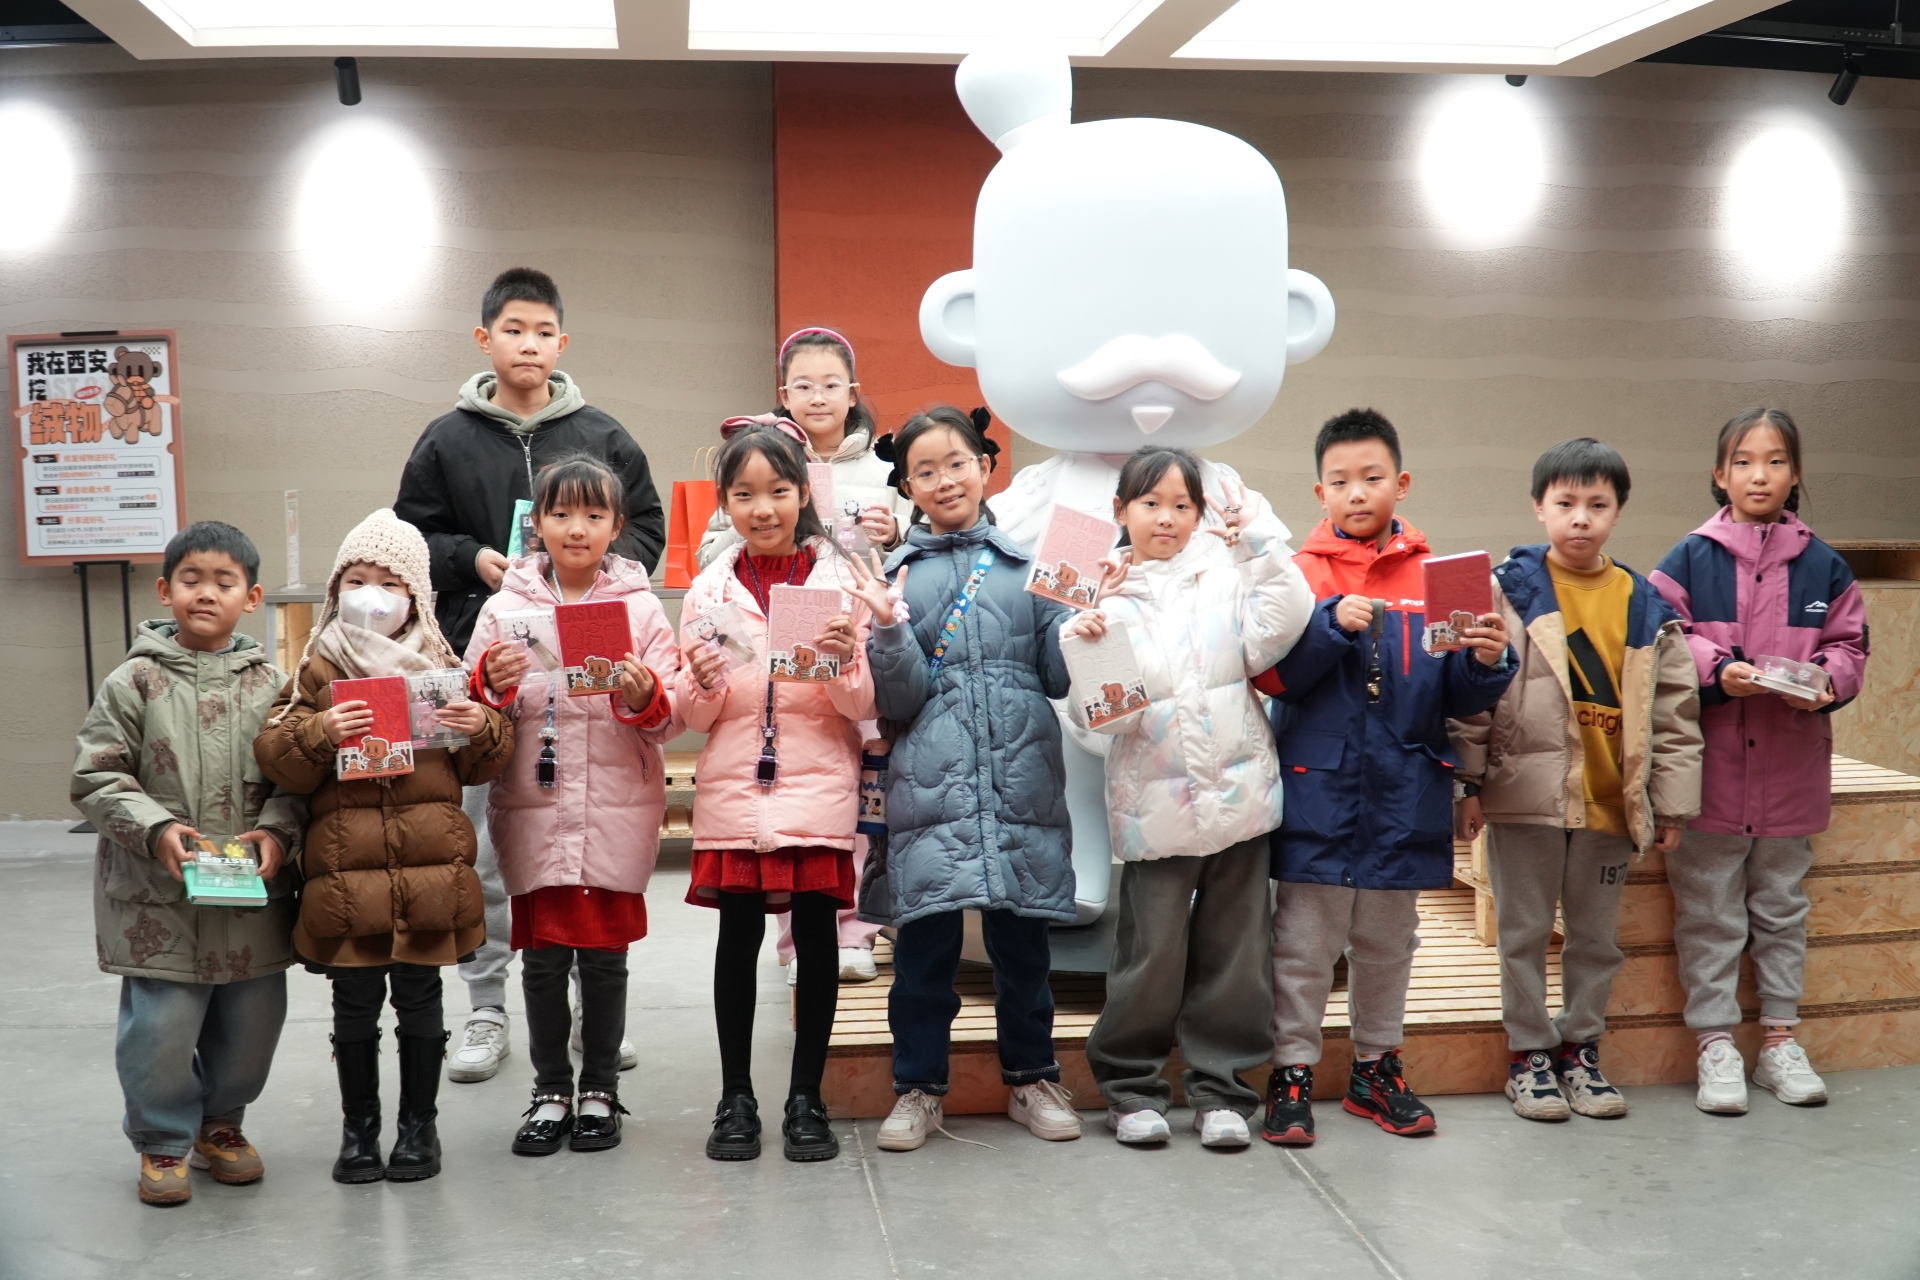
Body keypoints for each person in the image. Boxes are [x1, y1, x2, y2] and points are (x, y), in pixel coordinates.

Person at [394, 266, 663, 1083]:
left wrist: (598, 574)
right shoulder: (446, 438)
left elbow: (646, 525)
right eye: (513, 329)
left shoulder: (602, 433)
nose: (529, 344)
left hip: (592, 677)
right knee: (491, 850)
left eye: (544, 331)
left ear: (562, 342)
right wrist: (472, 561)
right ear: (486, 339)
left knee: (587, 849)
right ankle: (486, 1007)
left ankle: (591, 1015)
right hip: (492, 669)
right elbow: (410, 536)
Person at [1253, 410, 1516, 1147]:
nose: (1357, 492)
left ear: (1400, 483)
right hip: (1316, 788)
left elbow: (1454, 695)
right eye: (1340, 481)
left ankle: (1377, 1069)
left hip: (1406, 790)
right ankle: (1291, 1074)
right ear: (1319, 492)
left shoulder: (1440, 579)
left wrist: (1487, 662)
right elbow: (1273, 678)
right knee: (1303, 946)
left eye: (1372, 478)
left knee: (1388, 944)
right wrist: (1329, 627)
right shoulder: (1296, 575)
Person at [255, 509, 514, 1183]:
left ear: (415, 596)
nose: (372, 596)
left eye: (389, 583)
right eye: (357, 580)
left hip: (429, 875)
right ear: (336, 588)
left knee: (422, 1000)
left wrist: (480, 725)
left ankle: (419, 1129)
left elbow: (484, 763)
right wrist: (321, 732)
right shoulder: (317, 667)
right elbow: (277, 756)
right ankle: (359, 1132)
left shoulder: (441, 666)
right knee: (354, 1007)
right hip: (349, 878)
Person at [1065, 447, 1313, 1148]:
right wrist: (1092, 638)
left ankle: (1222, 1090)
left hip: (1240, 798)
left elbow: (1284, 624)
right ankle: (1130, 1090)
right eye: (1150, 503)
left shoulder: (1226, 576)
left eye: (1181, 505)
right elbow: (1106, 722)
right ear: (1120, 511)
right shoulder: (1100, 595)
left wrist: (1259, 541)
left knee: (1238, 954)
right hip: (1155, 810)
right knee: (1151, 957)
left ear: (1200, 514)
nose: (1166, 518)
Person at [1452, 439, 1703, 1123]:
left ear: (1618, 513)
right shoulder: (1506, 592)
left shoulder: (1646, 605)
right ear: (1539, 508)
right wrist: (1466, 785)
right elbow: (1472, 696)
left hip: (1609, 806)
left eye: (1598, 504)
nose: (1581, 518)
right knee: (1523, 933)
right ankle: (1528, 1056)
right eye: (1566, 503)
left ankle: (1580, 1050)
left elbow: (1676, 714)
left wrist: (1671, 804)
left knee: (1594, 940)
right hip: (1524, 801)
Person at [854, 405, 1082, 1151]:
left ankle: (1033, 1077)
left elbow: (1056, 676)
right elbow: (898, 702)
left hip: (1020, 783)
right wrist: (888, 628)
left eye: (956, 462)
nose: (945, 479)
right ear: (906, 486)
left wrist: (1081, 619)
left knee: (1025, 952)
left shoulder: (1031, 565)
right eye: (925, 470)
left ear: (985, 466)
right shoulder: (895, 576)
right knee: (923, 956)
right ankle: (918, 1089)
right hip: (930, 790)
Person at [73, 522, 305, 1206]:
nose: (206, 593)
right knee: (161, 1028)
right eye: (191, 579)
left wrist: (278, 834)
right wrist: (156, 829)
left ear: (252, 597)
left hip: (250, 900)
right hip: (157, 897)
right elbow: (97, 776)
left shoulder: (276, 688)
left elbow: (297, 781)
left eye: (224, 582)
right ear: (164, 590)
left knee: (253, 1023)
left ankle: (222, 1124)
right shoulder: (132, 682)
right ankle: (164, 1138)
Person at [1650, 408, 1868, 1113]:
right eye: (1743, 461)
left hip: (1789, 778)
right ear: (1720, 475)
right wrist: (1719, 670)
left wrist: (1827, 681)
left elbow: (1851, 646)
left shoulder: (1825, 566)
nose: (1759, 475)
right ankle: (1715, 1044)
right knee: (1709, 915)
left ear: (1795, 473)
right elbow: (1662, 635)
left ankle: (1778, 1041)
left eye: (1775, 461)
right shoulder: (1687, 559)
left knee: (1780, 911)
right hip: (1709, 780)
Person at [468, 455, 682, 1156]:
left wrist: (642, 691)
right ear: (537, 524)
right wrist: (490, 682)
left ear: (617, 526)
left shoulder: (640, 609)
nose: (577, 527)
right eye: (560, 513)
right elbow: (473, 716)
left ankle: (600, 1090)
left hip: (615, 807)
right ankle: (550, 1090)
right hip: (533, 806)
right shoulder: (505, 611)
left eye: (594, 514)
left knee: (604, 959)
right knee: (542, 961)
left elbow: (672, 711)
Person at [680, 420, 874, 1163]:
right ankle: (736, 1097)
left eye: (778, 491)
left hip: (816, 786)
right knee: (737, 939)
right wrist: (700, 684)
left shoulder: (840, 583)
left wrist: (845, 663)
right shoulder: (708, 590)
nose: (763, 508)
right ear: (725, 503)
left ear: (803, 495)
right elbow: (694, 716)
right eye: (744, 494)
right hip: (735, 790)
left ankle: (806, 1097)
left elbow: (863, 706)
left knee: (818, 939)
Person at [698, 329, 913, 987]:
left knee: (857, 799)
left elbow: (915, 545)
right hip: (772, 658)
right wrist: (756, 530)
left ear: (852, 393)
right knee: (786, 809)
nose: (818, 396)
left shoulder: (882, 468)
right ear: (783, 394)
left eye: (830, 384)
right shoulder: (758, 456)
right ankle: (797, 944)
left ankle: (856, 932)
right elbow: (710, 552)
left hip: (854, 643)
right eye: (803, 385)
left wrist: (895, 532)